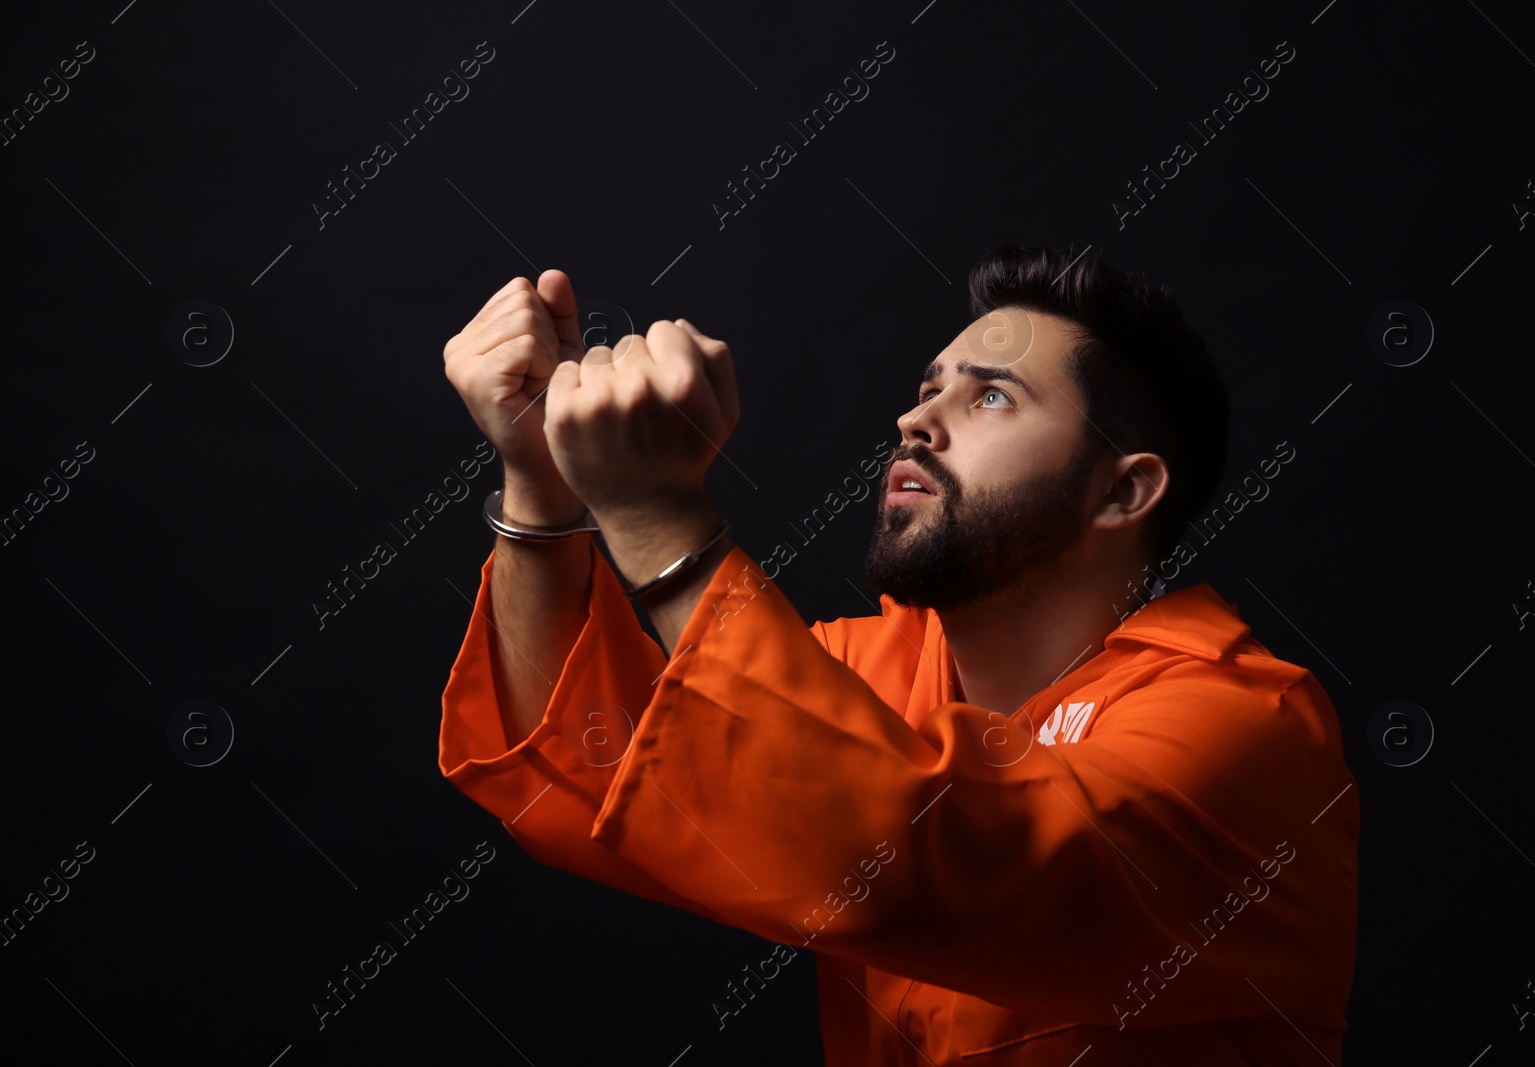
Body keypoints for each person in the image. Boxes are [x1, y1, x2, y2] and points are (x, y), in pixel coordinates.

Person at [437, 244, 1359, 1065]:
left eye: (992, 394)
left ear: (1122, 491)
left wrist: (656, 519)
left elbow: (908, 858)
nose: (916, 420)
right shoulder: (865, 674)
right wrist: (541, 488)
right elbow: (587, 759)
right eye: (930, 386)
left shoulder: (1246, 732)